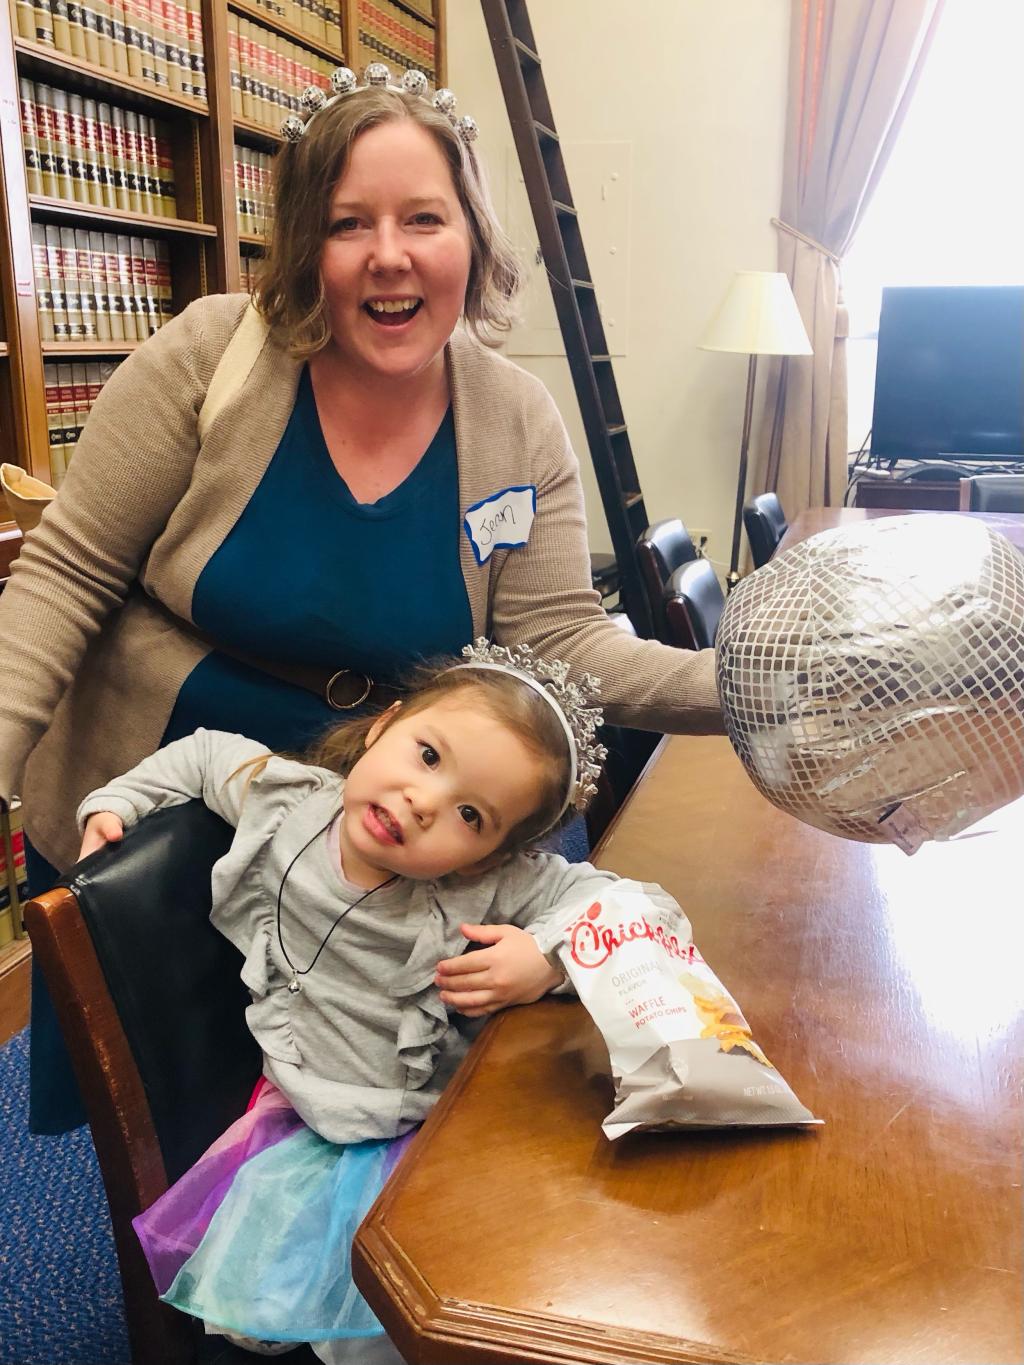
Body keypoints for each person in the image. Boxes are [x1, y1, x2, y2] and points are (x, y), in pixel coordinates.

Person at [0, 66, 720, 1135]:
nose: (389, 254)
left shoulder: (517, 420)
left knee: (371, 1106)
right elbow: (67, 574)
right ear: (307, 246)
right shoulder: (210, 356)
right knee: (173, 1120)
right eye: (348, 223)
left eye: (424, 218)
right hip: (170, 800)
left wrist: (742, 689)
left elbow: (563, 644)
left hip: (390, 838)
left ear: (471, 237)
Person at [74, 643, 642, 1361]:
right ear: (384, 724)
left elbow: (633, 905)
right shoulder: (286, 802)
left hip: (432, 1126)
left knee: (507, 1293)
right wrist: (117, 800)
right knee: (356, 1325)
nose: (423, 801)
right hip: (305, 1118)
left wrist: (544, 957)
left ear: (493, 854)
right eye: (428, 755)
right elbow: (203, 753)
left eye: (470, 814)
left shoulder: (486, 886)